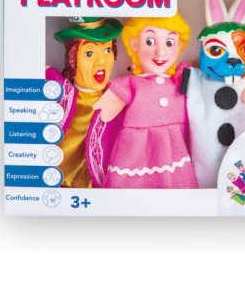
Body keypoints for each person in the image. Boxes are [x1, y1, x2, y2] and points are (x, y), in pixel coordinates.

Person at [95, 13, 198, 189]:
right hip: (135, 156)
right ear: (134, 43)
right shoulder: (130, 85)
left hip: (177, 158)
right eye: (150, 41)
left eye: (170, 42)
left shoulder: (182, 80)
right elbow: (101, 119)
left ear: (179, 45)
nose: (161, 52)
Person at [46, 16, 122, 188]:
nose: (101, 61)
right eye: (89, 53)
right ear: (72, 59)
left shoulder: (117, 99)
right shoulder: (60, 92)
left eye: (107, 50)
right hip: (58, 180)